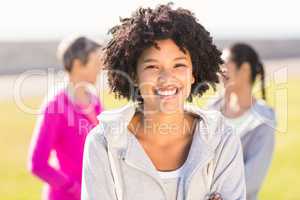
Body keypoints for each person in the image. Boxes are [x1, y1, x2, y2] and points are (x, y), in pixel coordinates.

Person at [82, 3, 246, 200]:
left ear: (193, 73)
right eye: (152, 66)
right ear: (134, 75)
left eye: (179, 65)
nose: (167, 78)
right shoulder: (103, 143)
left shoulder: (222, 139)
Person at [28, 36, 104, 200]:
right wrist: (73, 187)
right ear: (78, 64)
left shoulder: (95, 100)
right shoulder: (56, 106)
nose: (100, 68)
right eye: (96, 62)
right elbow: (37, 164)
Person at [207, 43, 276, 200]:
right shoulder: (211, 109)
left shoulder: (263, 121)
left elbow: (251, 179)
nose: (220, 71)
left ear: (244, 69)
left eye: (225, 64)